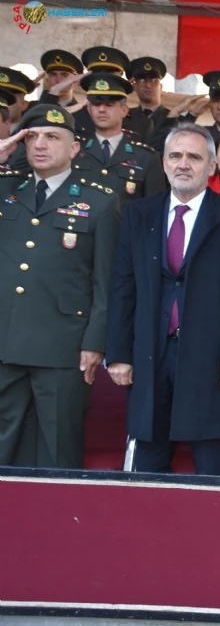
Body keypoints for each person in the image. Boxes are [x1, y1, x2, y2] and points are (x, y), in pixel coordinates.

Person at [106, 123, 220, 475]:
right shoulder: (138, 214)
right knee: (148, 464)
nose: (183, 164)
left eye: (194, 157)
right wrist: (119, 353)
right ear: (164, 163)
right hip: (150, 354)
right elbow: (123, 286)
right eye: (175, 156)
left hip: (210, 358)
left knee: (209, 466)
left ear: (212, 166)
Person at [0, 105, 121, 467]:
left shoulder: (99, 201)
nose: (40, 144)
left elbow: (105, 280)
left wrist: (95, 342)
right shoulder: (6, 188)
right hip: (6, 340)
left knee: (58, 447)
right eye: (32, 137)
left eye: (52, 137)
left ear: (73, 149)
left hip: (63, 346)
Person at [73, 73, 166, 210]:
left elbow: (155, 208)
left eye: (109, 105)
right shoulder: (73, 151)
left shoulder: (146, 158)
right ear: (88, 109)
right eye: (96, 104)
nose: (102, 110)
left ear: (124, 110)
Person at [78, 46, 153, 143]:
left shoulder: (142, 123)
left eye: (109, 73)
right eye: (97, 73)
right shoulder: (73, 118)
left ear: (120, 77)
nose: (103, 79)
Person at [127, 57, 170, 153]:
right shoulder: (125, 116)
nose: (148, 85)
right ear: (134, 87)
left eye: (154, 80)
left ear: (161, 87)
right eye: (142, 81)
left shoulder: (173, 118)